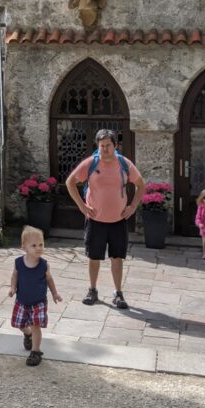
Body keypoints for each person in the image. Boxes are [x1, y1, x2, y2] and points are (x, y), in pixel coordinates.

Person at [65, 129, 145, 309]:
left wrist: (132, 206)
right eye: (102, 146)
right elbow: (70, 182)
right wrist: (81, 206)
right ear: (98, 146)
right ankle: (92, 290)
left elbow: (141, 185)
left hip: (118, 220)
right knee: (94, 257)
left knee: (117, 258)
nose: (105, 149)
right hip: (95, 220)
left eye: (108, 145)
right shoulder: (91, 163)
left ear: (115, 146)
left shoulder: (124, 164)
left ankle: (118, 293)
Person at [8, 225, 63, 366]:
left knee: (35, 325)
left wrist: (55, 293)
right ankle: (27, 334)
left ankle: (36, 351)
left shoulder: (44, 265)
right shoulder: (19, 263)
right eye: (34, 245)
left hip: (39, 302)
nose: (39, 248)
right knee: (19, 324)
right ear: (24, 247)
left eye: (41, 244)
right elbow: (15, 275)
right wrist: (12, 287)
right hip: (21, 301)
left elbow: (49, 279)